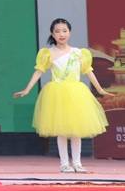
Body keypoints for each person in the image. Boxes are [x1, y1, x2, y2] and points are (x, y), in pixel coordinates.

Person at [14, 18, 111, 173]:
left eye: (64, 31)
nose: (61, 34)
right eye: (57, 31)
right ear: (52, 34)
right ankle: (64, 164)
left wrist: (100, 90)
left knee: (76, 131)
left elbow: (88, 72)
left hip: (76, 94)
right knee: (62, 131)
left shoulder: (79, 53)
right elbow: (38, 71)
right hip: (57, 94)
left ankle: (77, 163)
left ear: (69, 32)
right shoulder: (48, 53)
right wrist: (27, 89)